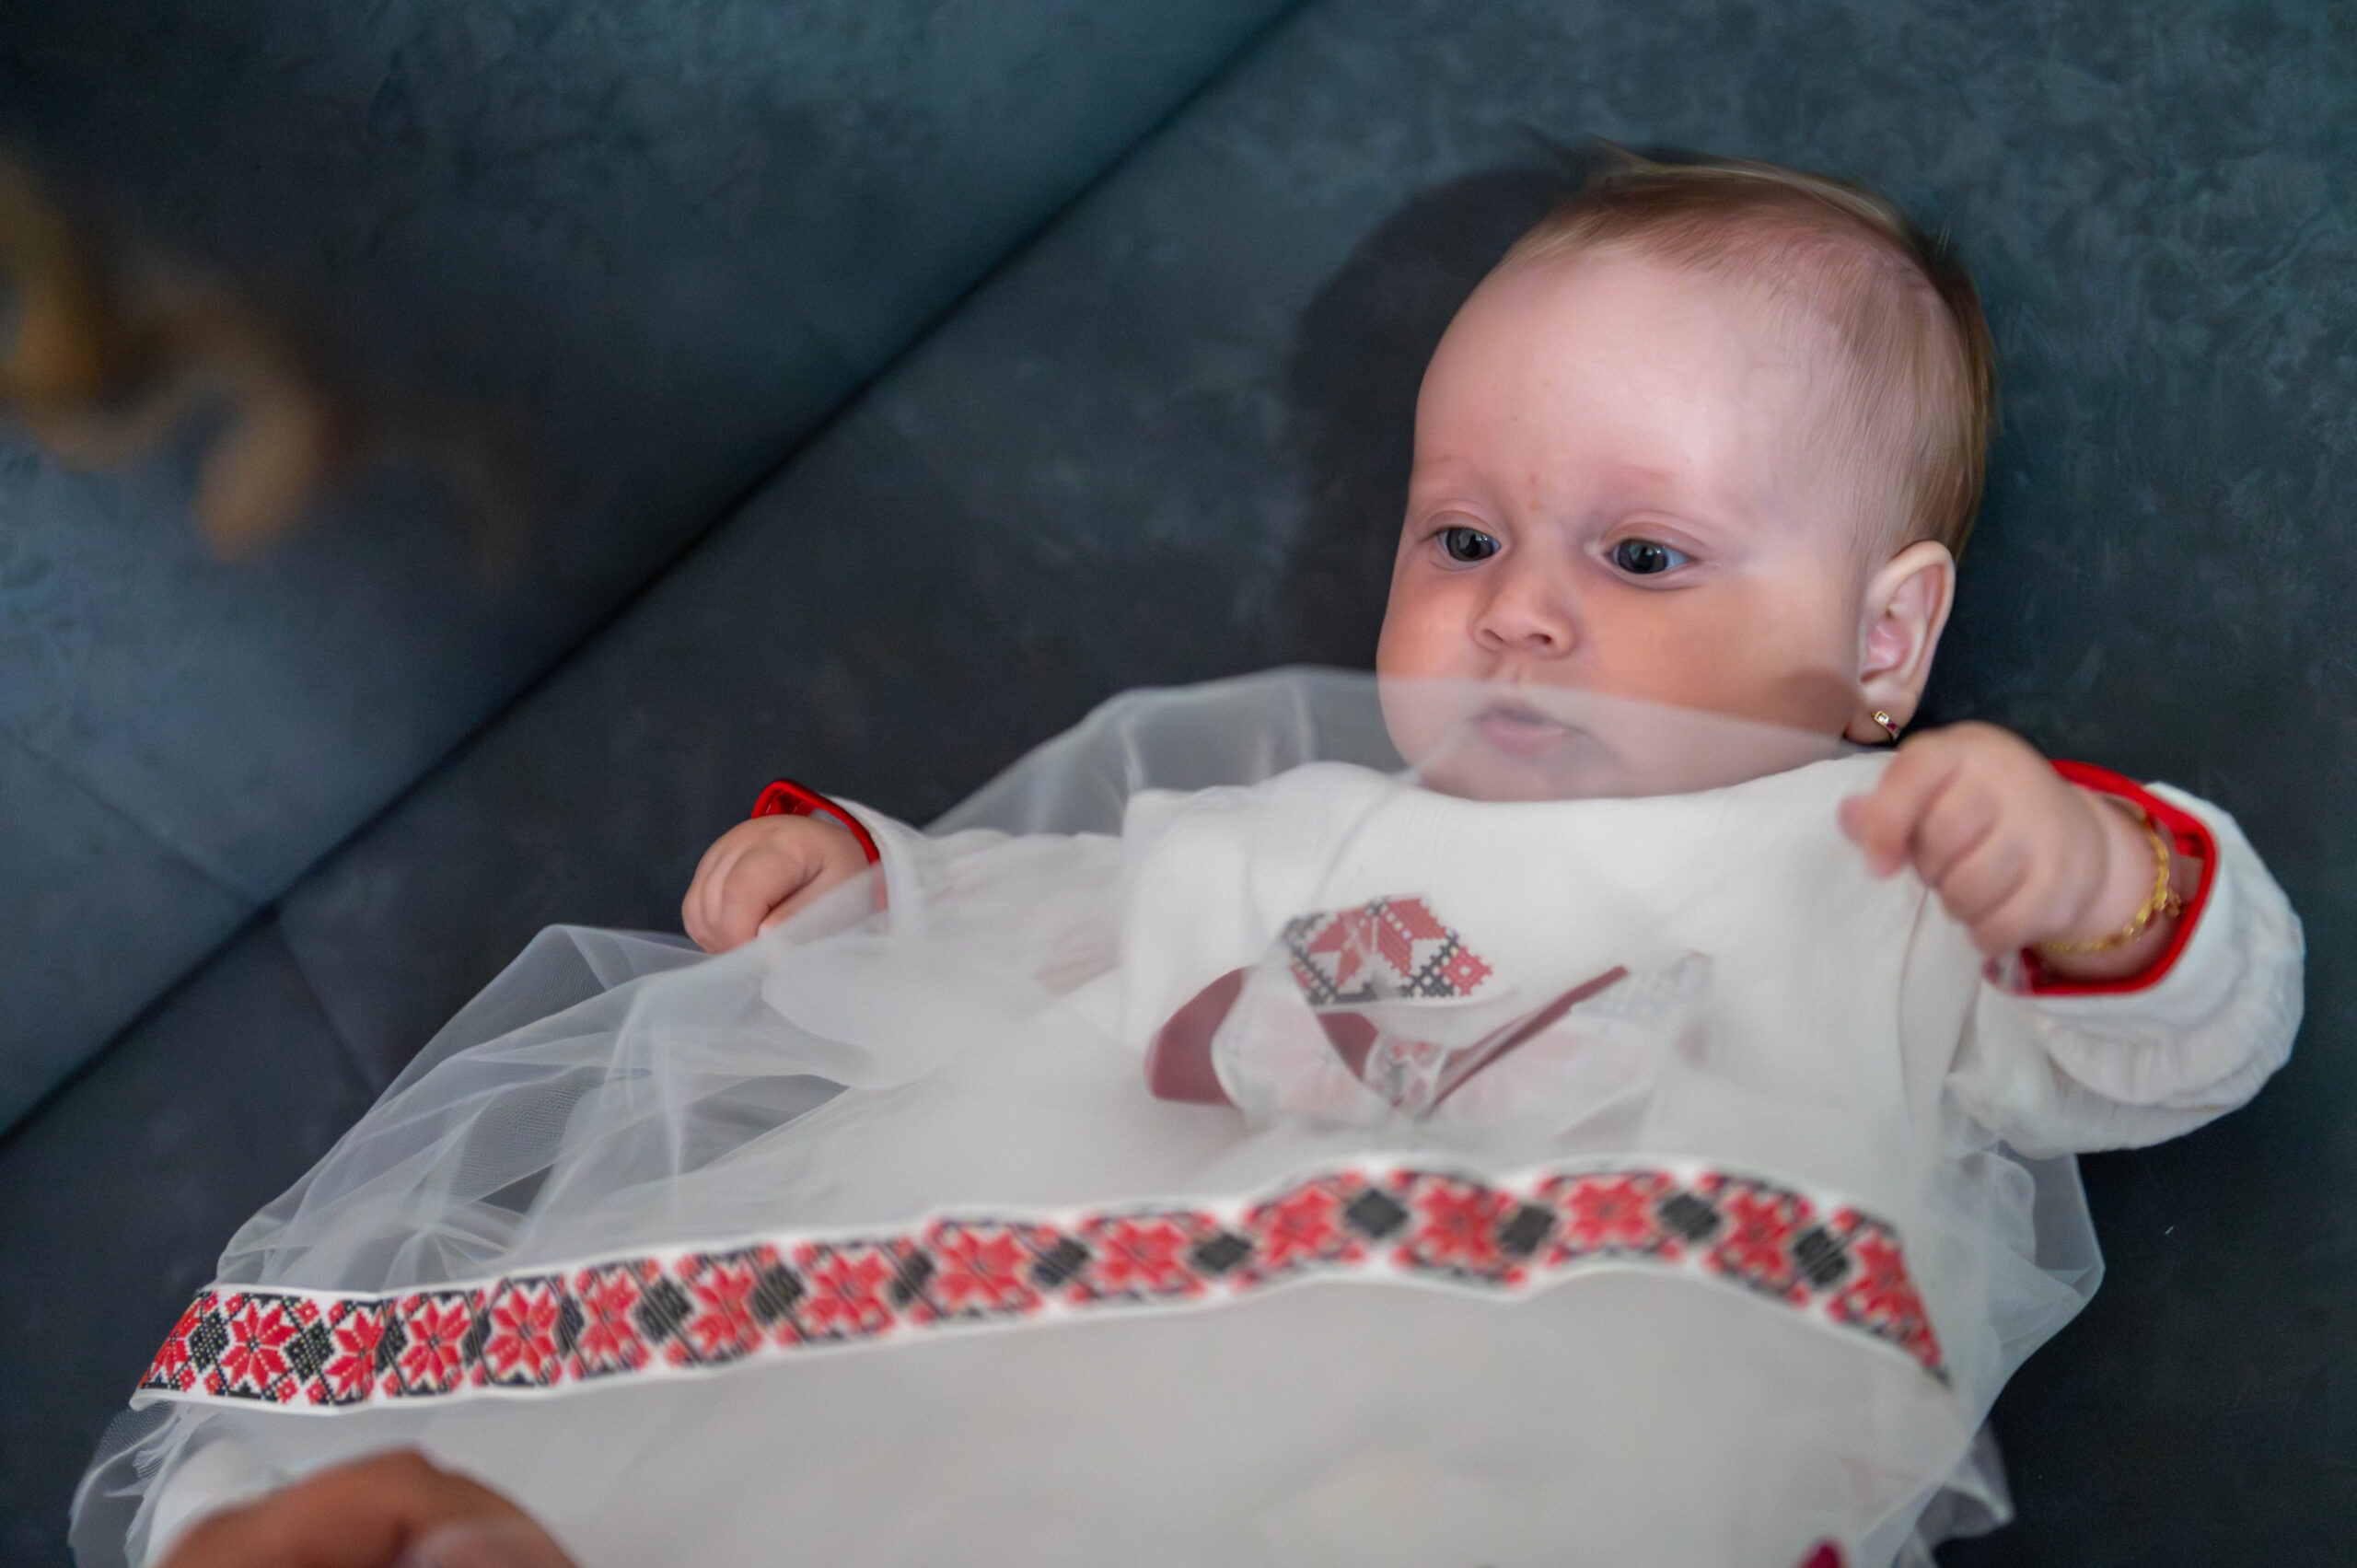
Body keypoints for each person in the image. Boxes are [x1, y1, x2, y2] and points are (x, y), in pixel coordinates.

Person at [92, 154, 2300, 1568]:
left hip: (1537, 1440)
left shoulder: (1880, 860)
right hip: (1062, 1349)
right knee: (823, 1483)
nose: (1521, 613)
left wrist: (2090, 884)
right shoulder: (1314, 828)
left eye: (1639, 554)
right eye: (1461, 538)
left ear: (1884, 641)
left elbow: (2181, 1043)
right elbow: (1055, 933)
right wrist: (865, 891)